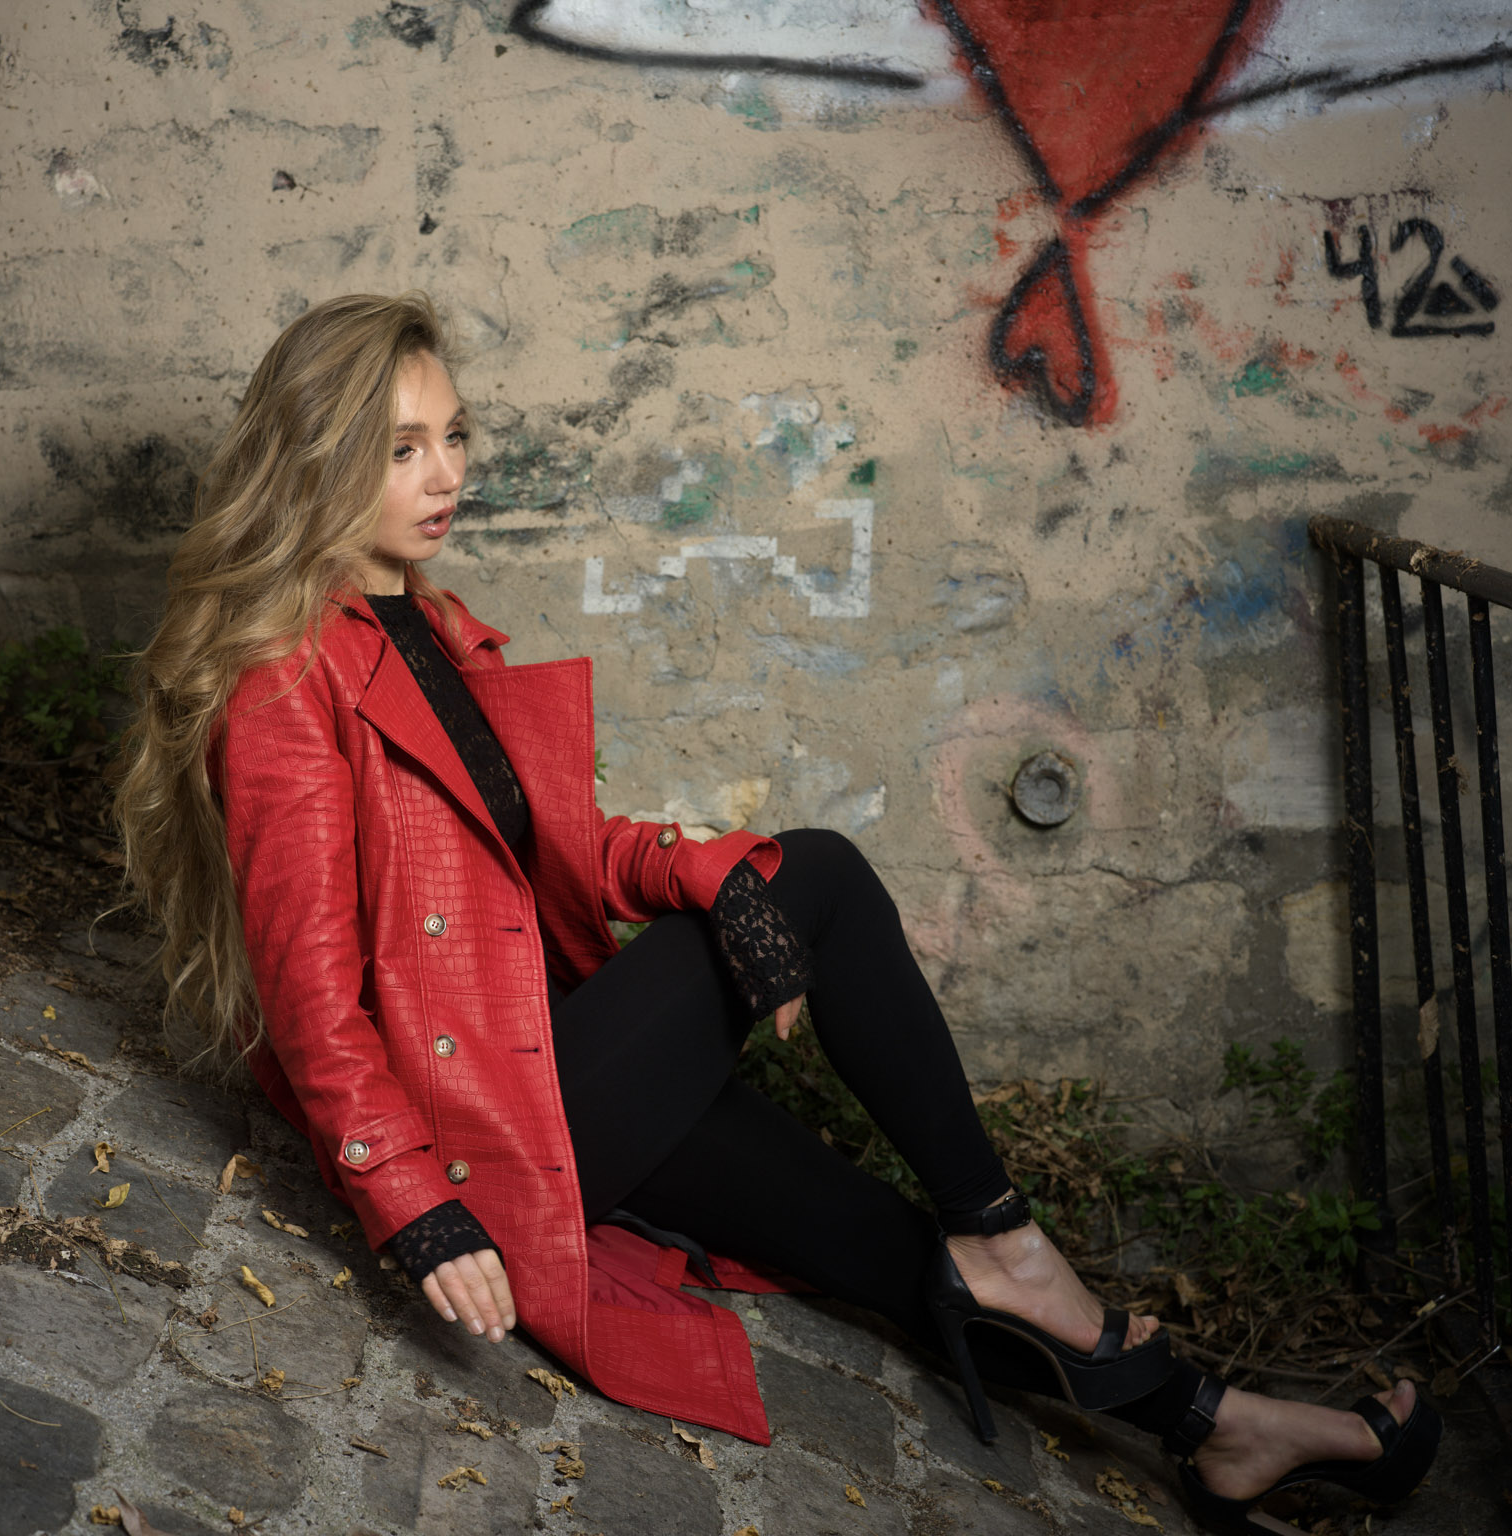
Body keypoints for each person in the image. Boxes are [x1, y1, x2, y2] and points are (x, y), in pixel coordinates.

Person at [114, 292, 1440, 1533]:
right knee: (824, 874)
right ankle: (1007, 1225)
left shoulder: (433, 629)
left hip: (553, 1062)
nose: (446, 473)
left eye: (454, 436)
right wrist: (413, 1204)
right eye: (402, 449)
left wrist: (704, 876)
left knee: (886, 1249)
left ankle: (1221, 1425)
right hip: (481, 1122)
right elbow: (309, 999)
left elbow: (555, 850)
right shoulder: (287, 677)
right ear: (318, 461)